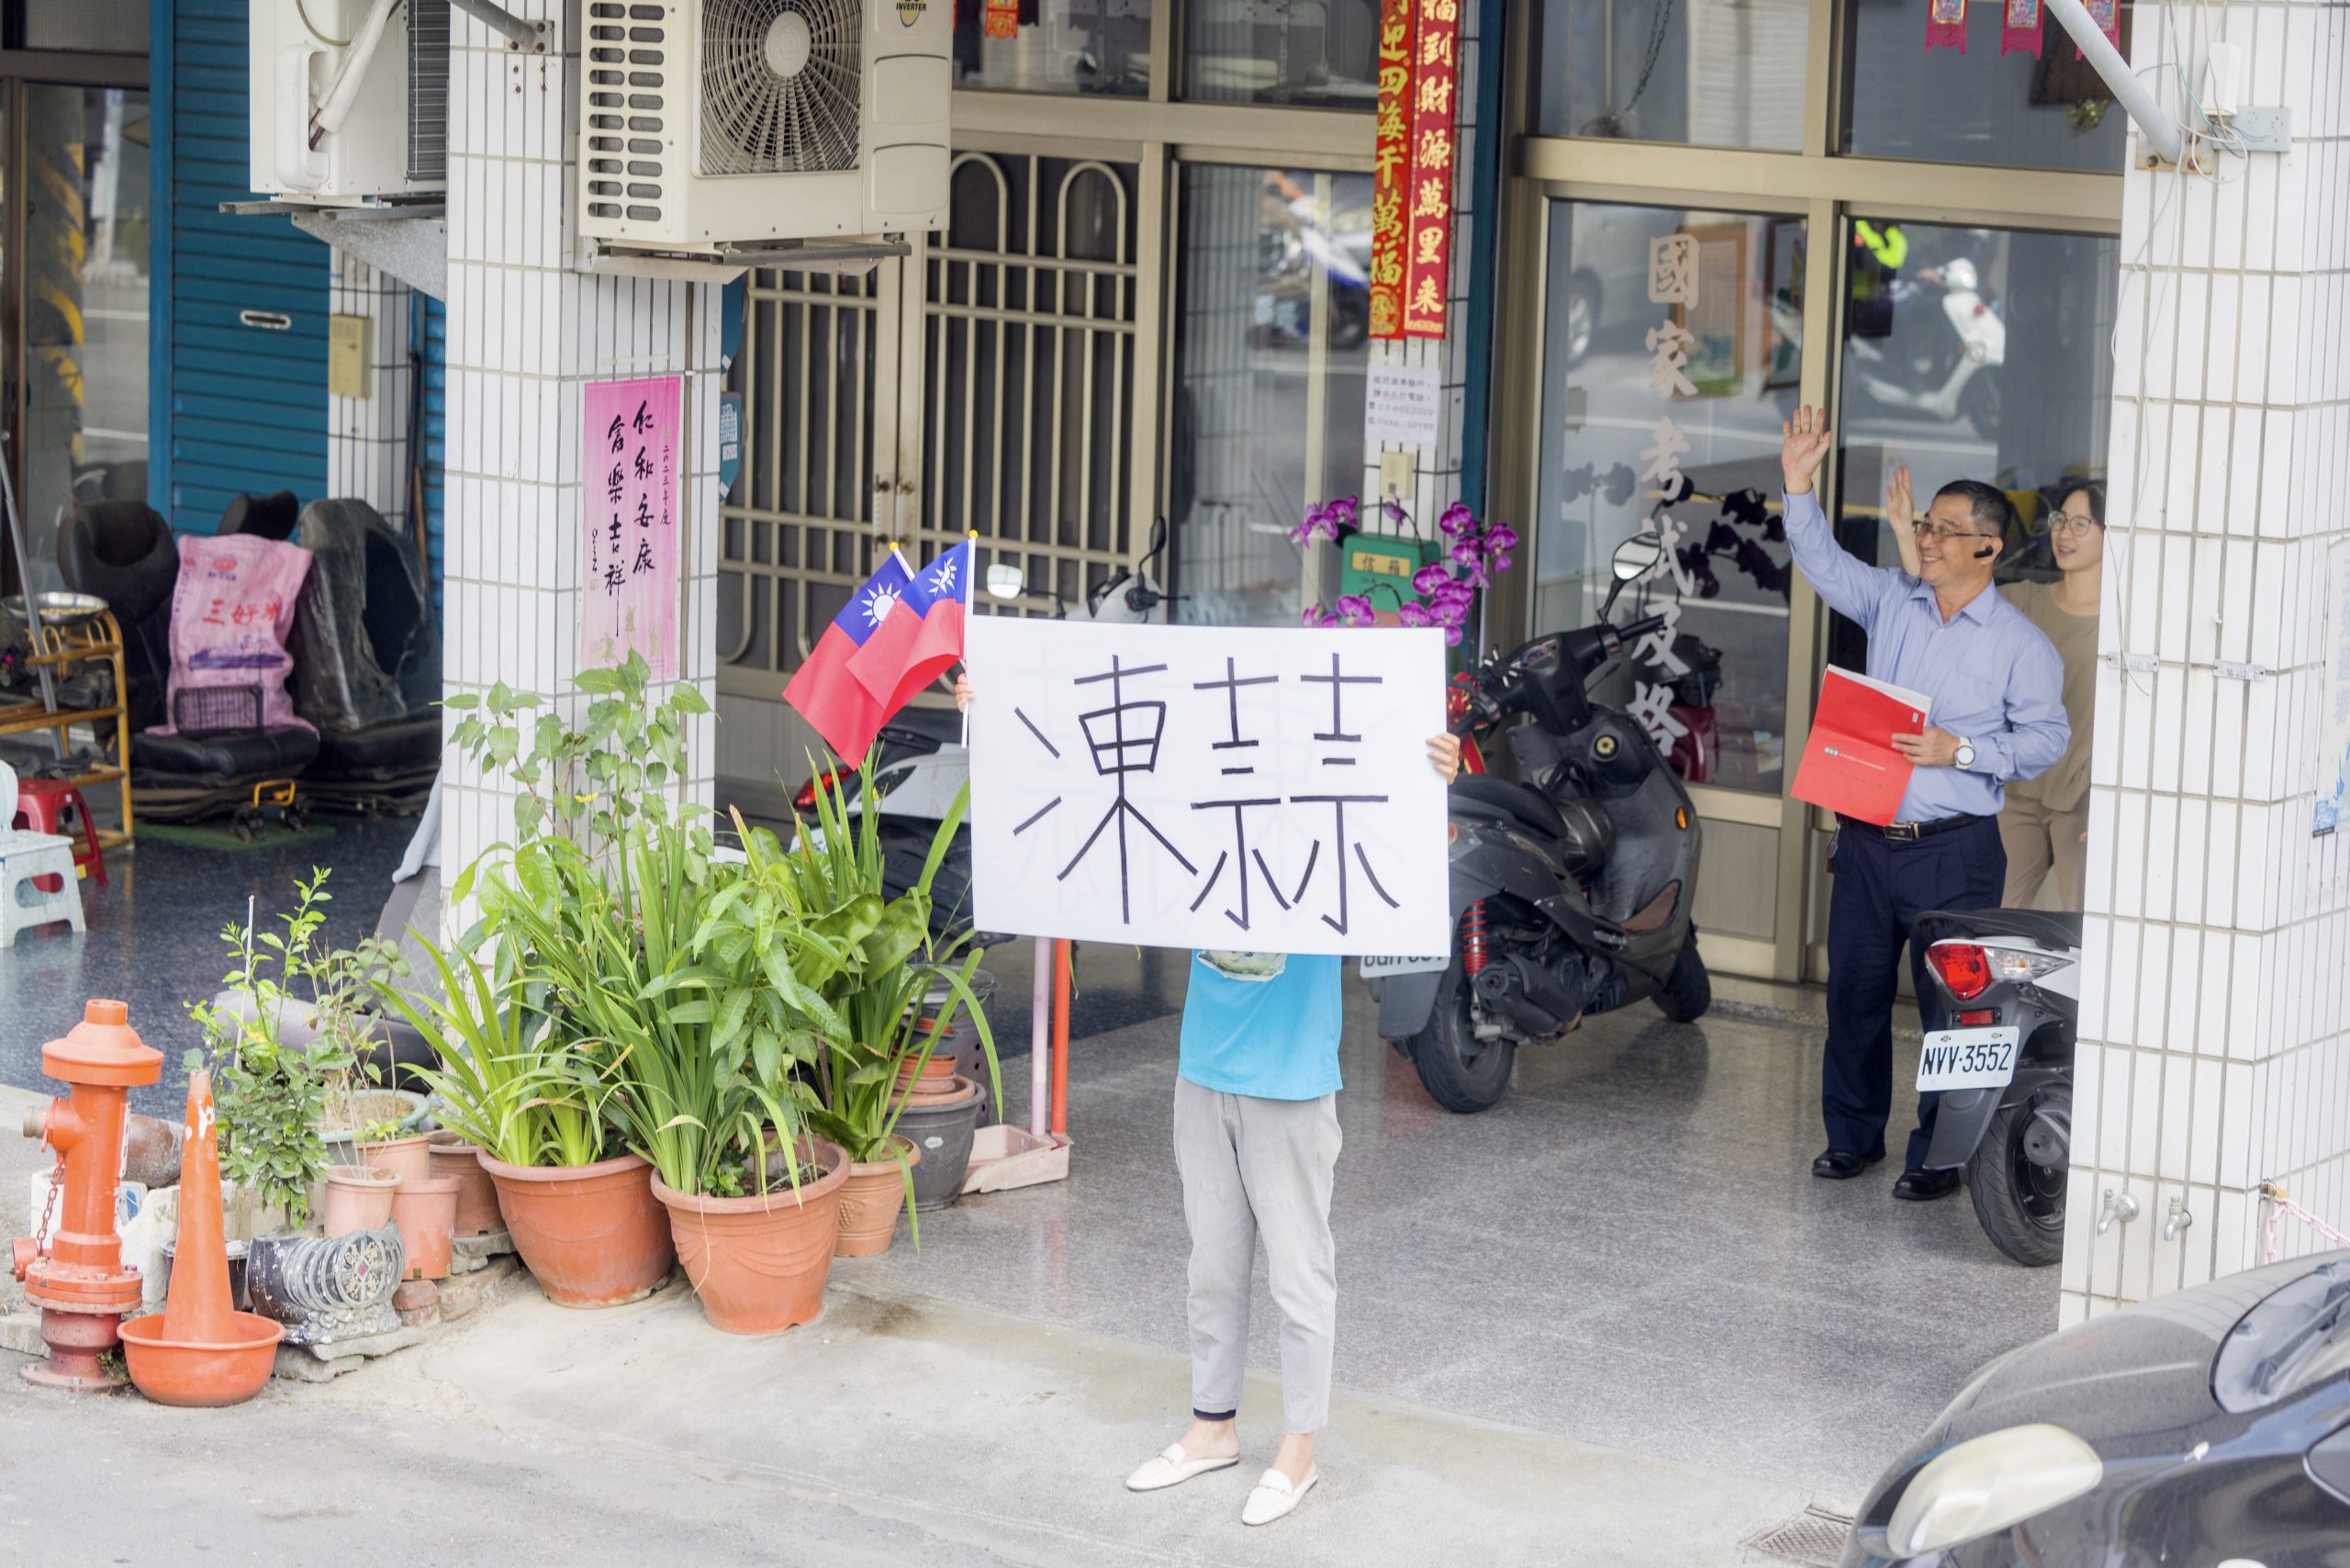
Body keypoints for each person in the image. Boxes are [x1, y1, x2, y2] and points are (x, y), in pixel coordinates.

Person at [956, 668, 1462, 1527]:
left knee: (1301, 1275)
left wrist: (1430, 783)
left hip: (1293, 1085)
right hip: (1205, 1074)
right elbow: (1086, 789)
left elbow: (1403, 860)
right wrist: (998, 721)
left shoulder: (1324, 825)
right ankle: (1211, 1427)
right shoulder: (1197, 817)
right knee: (1212, 1268)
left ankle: (1299, 1450)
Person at [1781, 409, 2067, 1199]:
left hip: (1954, 850)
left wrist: (1961, 751)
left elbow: (2048, 741)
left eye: (1945, 528)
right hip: (1871, 841)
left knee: (1953, 1017)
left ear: (1988, 547)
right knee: (1855, 998)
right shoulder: (1892, 602)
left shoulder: (2019, 645)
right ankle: (1851, 1140)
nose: (1927, 539)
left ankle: (1938, 1155)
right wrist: (1798, 485)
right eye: (1925, 524)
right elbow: (1821, 560)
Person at [1890, 469, 2102, 909]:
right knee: (1989, 924)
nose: (2064, 533)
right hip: (2016, 791)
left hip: (2083, 798)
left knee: (2083, 925)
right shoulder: (2025, 600)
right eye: (2060, 519)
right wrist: (1902, 529)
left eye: (2081, 524)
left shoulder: (2126, 624)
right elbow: (1939, 597)